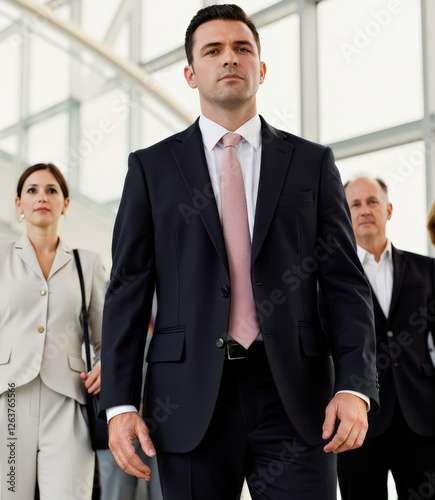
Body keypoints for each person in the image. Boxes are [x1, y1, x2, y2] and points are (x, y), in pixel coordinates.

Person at [99, 5, 379, 499]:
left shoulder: (311, 163)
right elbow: (128, 289)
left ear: (261, 68)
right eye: (213, 50)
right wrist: (120, 404)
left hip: (296, 396)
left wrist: (355, 386)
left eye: (242, 48)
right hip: (186, 399)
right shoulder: (151, 168)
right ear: (191, 73)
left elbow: (344, 283)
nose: (229, 58)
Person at [0, 163, 106, 500]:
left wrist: (106, 367)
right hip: (9, 399)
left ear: (66, 203)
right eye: (31, 190)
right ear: (19, 204)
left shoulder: (86, 263)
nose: (41, 197)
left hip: (69, 400)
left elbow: (107, 337)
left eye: (51, 190)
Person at [338, 176, 435, 500]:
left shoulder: (427, 270)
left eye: (372, 202)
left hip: (422, 418)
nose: (365, 210)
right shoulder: (331, 278)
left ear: (388, 209)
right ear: (344, 212)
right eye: (355, 204)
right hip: (359, 420)